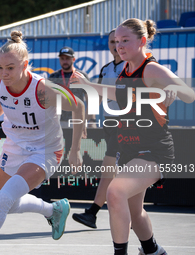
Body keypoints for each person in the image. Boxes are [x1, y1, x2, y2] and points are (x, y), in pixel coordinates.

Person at [0, 31, 85, 255]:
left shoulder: (43, 90)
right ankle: (53, 210)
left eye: (10, 68)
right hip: (14, 146)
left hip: (45, 151)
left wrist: (76, 149)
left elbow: (78, 105)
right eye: (0, 67)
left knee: (2, 201)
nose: (4, 73)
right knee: (9, 203)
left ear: (25, 65)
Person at [74, 18, 195, 255]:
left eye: (125, 40)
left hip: (153, 150)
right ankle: (153, 250)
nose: (119, 45)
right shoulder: (125, 71)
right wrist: (88, 85)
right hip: (130, 149)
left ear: (142, 41)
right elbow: (118, 93)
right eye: (117, 41)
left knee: (115, 192)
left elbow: (189, 95)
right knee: (134, 209)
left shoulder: (151, 69)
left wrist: (174, 89)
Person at [72, 29, 126, 229]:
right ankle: (95, 214)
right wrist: (86, 119)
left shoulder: (132, 67)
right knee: (110, 171)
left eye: (120, 41)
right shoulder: (106, 69)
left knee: (114, 170)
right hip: (110, 124)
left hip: (126, 125)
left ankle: (97, 213)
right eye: (112, 41)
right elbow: (100, 97)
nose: (116, 45)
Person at [48, 46, 96, 128]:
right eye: (62, 58)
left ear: (73, 59)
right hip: (58, 121)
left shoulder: (81, 76)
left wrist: (92, 120)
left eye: (67, 58)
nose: (65, 61)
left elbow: (90, 99)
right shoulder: (54, 76)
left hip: (77, 120)